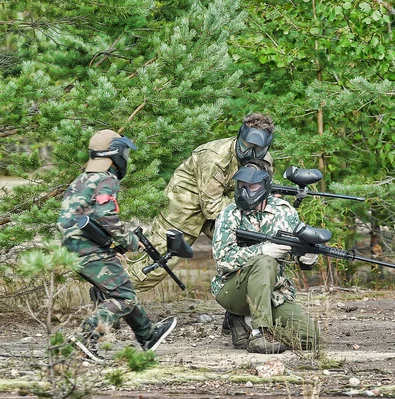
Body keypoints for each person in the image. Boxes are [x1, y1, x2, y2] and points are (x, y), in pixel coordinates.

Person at [57, 129, 177, 363]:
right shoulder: (106, 179)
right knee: (124, 297)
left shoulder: (81, 180)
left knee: (120, 289)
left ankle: (147, 336)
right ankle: (85, 337)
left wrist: (111, 245)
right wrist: (130, 241)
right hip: (88, 249)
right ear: (114, 155)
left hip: (74, 248)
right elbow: (106, 216)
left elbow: (83, 219)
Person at [127, 113, 275, 292]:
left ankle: (244, 303)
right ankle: (112, 294)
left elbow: (261, 196)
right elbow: (211, 207)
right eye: (247, 146)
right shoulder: (215, 157)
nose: (251, 153)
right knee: (157, 265)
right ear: (239, 137)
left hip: (225, 208)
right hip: (183, 208)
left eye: (258, 150)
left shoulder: (264, 162)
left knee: (248, 247)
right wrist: (248, 204)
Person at [211, 160, 320, 354]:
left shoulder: (284, 212)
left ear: (265, 185)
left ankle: (243, 321)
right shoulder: (230, 214)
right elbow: (223, 259)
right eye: (241, 186)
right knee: (265, 261)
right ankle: (258, 333)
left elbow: (297, 247)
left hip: (274, 294)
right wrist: (262, 250)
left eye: (251, 186)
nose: (245, 191)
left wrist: (307, 258)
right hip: (233, 290)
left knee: (309, 338)